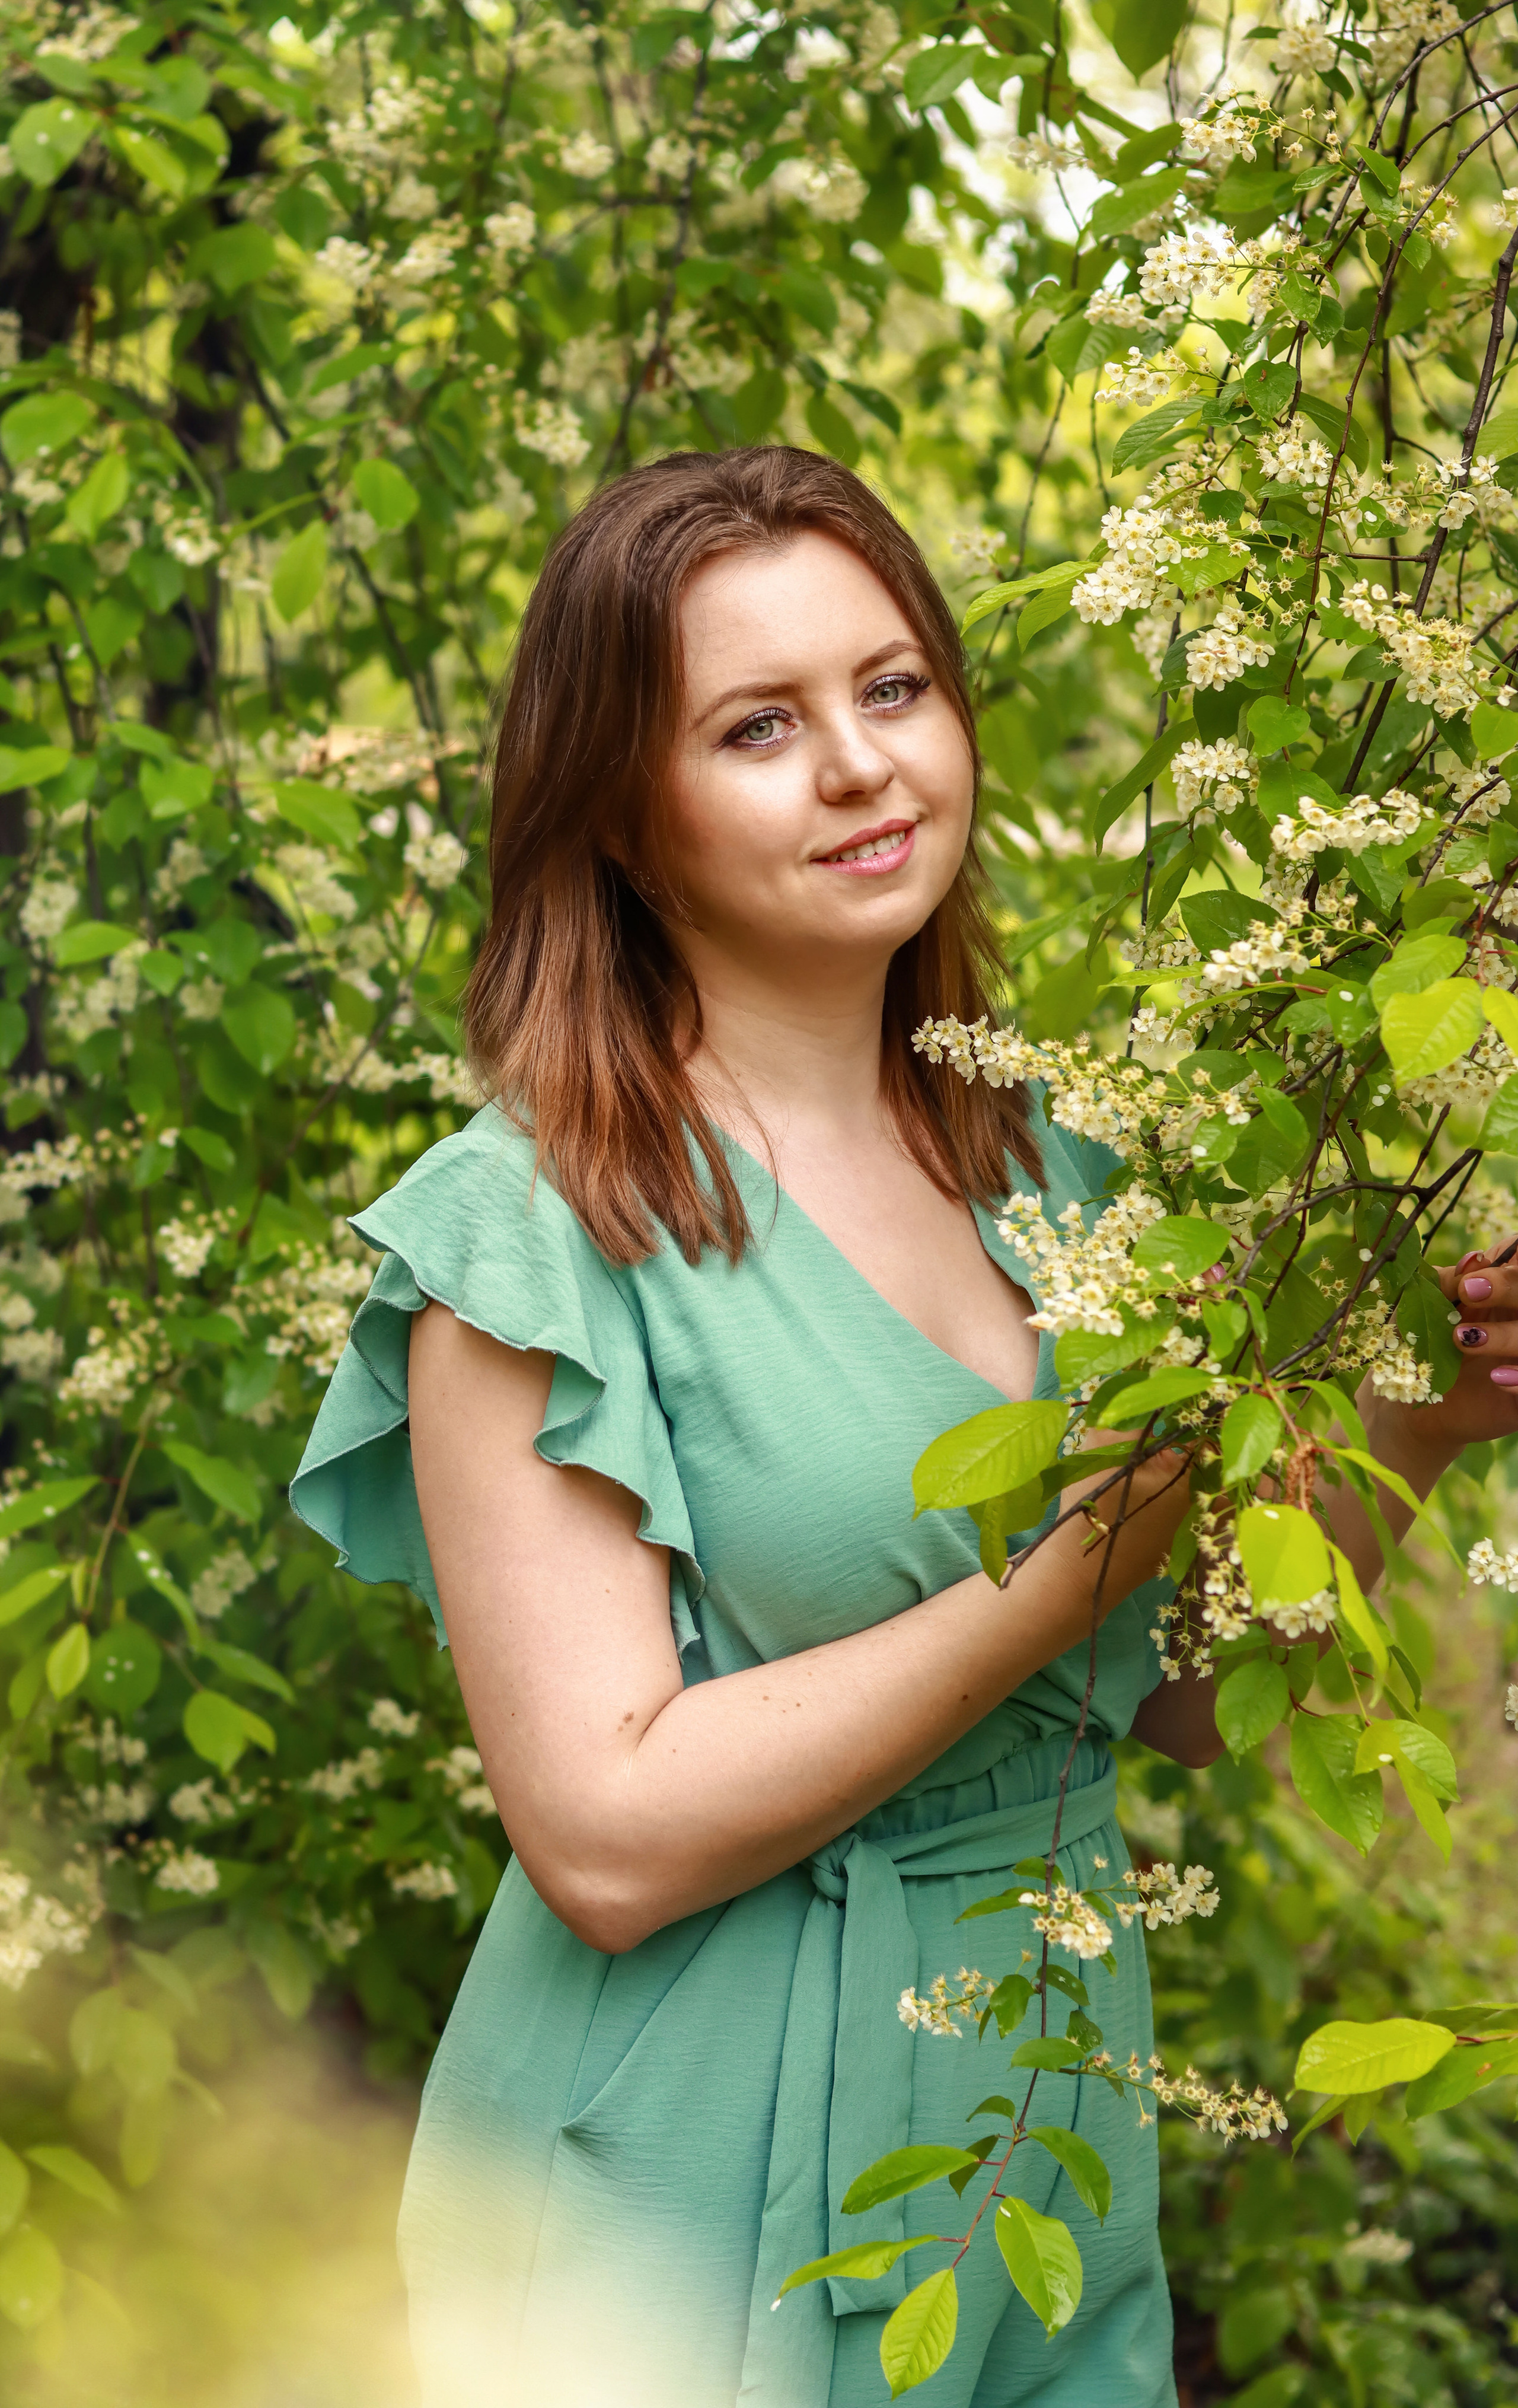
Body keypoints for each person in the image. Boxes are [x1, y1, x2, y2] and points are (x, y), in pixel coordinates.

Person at [291, 446, 1516, 2408]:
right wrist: (1071, 1568)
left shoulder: (1063, 1166)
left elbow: (1182, 1696)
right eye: (757, 726)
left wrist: (1431, 1412)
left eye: (894, 687)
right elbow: (602, 1834)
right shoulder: (529, 1226)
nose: (863, 766)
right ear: (624, 811)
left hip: (1029, 2115)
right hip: (672, 2158)